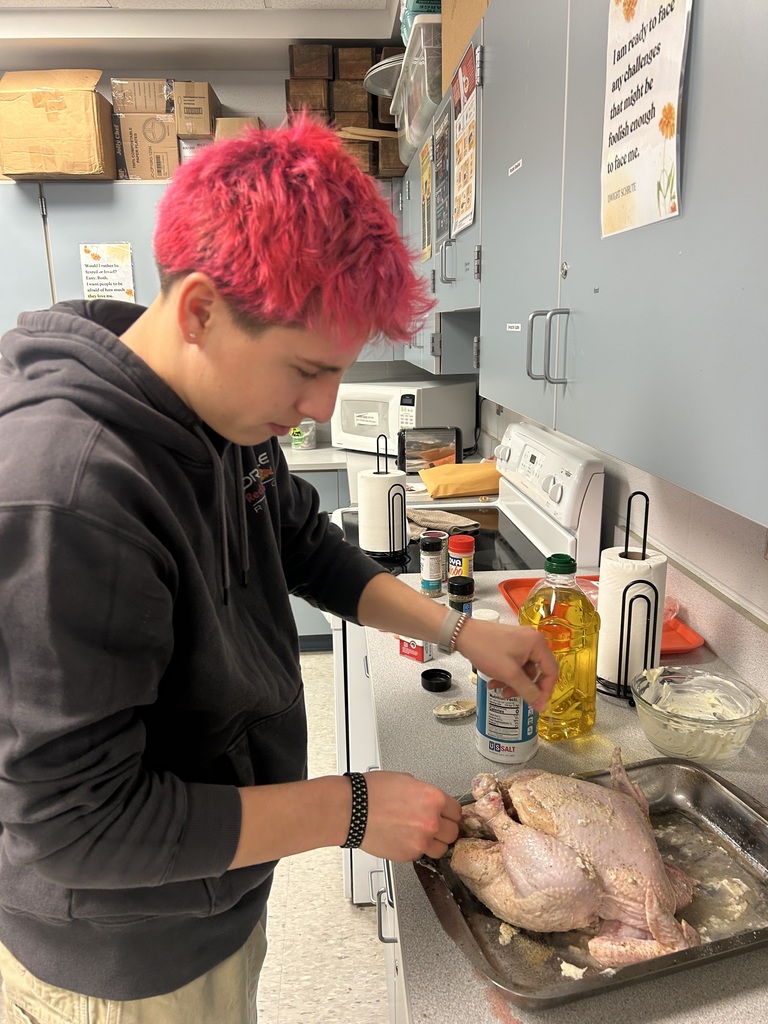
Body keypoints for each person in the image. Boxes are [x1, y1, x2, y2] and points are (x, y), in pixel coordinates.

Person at [0, 114, 557, 1023]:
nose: (321, 407)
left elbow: (301, 542)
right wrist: (346, 809)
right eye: (305, 370)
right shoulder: (68, 495)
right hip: (121, 958)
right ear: (199, 312)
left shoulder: (209, 410)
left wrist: (462, 629)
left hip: (207, 890)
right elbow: (79, 826)